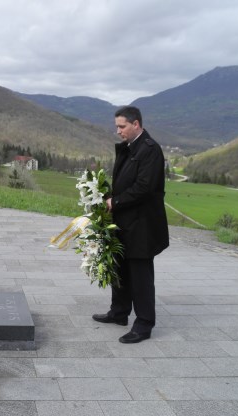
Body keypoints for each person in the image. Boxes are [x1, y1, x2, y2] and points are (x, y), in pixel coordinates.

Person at [92, 106, 169, 343]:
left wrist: (115, 201)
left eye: (122, 126)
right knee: (120, 269)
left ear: (136, 124)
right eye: (117, 126)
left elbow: (144, 188)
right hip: (124, 222)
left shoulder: (150, 150)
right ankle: (119, 312)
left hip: (142, 226)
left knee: (140, 276)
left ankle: (144, 324)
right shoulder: (130, 148)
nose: (118, 131)